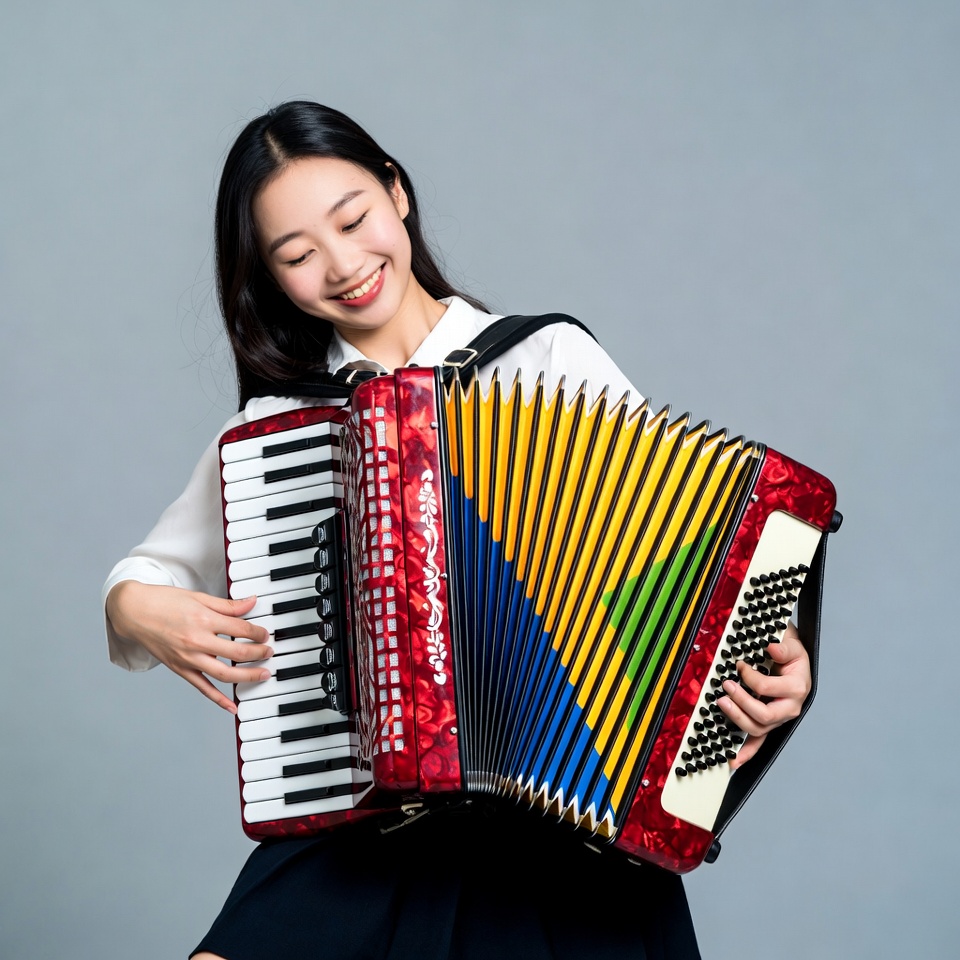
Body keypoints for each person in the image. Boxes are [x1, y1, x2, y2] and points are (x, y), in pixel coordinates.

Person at [103, 101, 812, 960]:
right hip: (368, 826)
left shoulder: (547, 360)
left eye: (354, 218)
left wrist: (767, 667)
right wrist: (138, 609)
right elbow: (148, 573)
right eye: (296, 255)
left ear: (397, 194)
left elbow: (675, 573)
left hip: (562, 824)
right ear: (269, 273)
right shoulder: (281, 434)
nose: (341, 264)